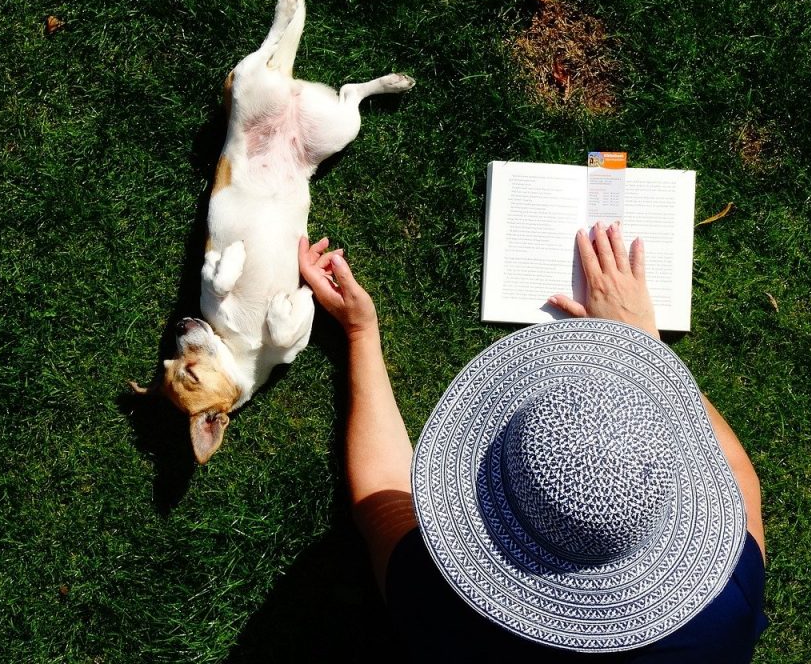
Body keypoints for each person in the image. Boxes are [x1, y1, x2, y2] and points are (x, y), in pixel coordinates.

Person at [298, 221, 768, 663]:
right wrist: (643, 346)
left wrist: (361, 331)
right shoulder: (726, 613)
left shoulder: (442, 612)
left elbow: (382, 500)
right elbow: (740, 479)